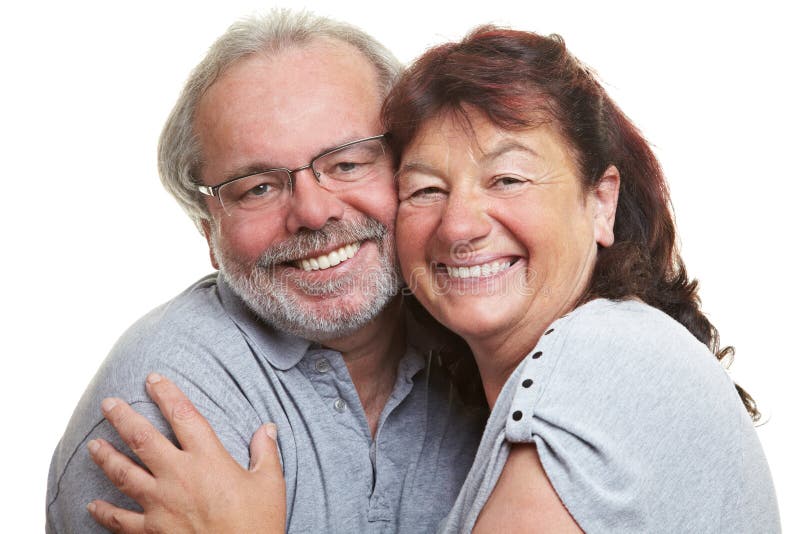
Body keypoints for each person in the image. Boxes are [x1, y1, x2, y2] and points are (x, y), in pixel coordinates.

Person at [82, 25, 781, 533]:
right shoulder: (174, 401)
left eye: (348, 163)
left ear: (599, 201)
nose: (460, 227)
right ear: (207, 230)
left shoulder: (596, 364)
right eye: (425, 190)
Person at [45, 10, 484, 534]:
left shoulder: (483, 335)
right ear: (208, 231)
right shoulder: (165, 414)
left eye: (347, 163)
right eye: (258, 187)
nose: (314, 213)